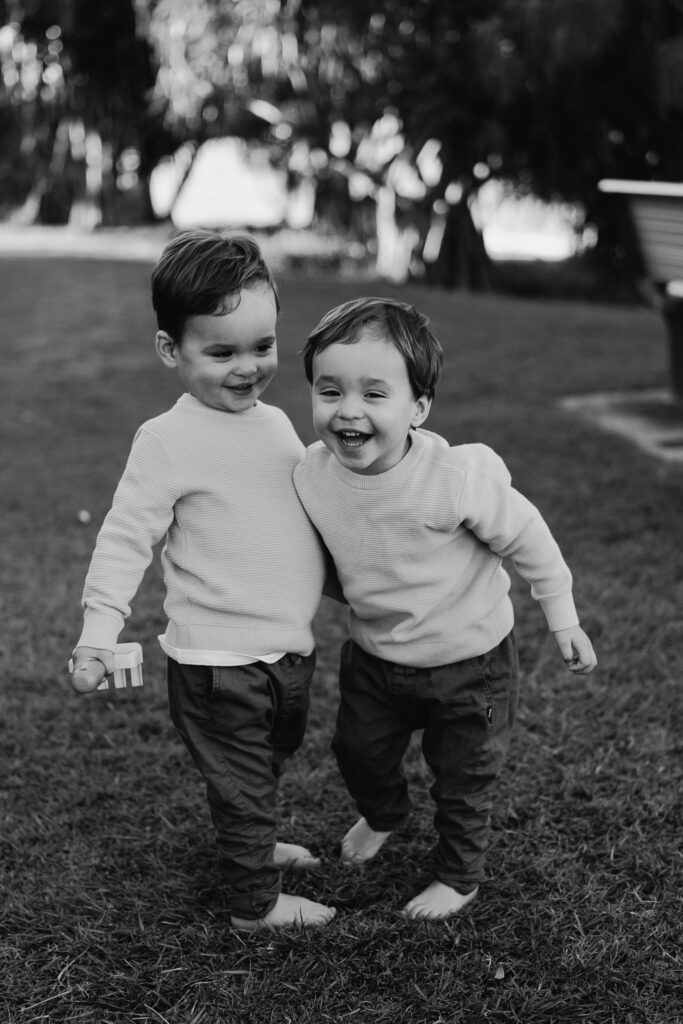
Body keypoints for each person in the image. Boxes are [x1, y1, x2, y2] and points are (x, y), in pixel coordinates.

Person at [293, 296, 597, 921]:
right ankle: (385, 814)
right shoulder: (310, 476)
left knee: (464, 775)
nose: (348, 410)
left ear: (419, 408)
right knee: (357, 751)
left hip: (471, 661)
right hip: (376, 657)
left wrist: (561, 614)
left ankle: (459, 877)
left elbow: (527, 535)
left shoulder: (453, 479)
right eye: (330, 391)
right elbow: (325, 558)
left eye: (375, 394)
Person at [69, 230, 336, 932]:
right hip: (218, 663)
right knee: (244, 773)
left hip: (286, 650)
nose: (247, 368)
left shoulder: (277, 424)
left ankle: (250, 839)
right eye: (221, 352)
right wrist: (99, 633)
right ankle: (254, 904)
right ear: (171, 352)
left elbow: (310, 521)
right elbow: (127, 537)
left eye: (262, 346)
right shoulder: (166, 440)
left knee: (265, 764)